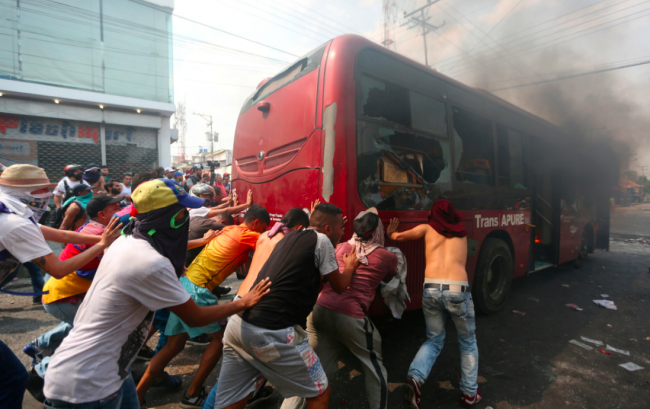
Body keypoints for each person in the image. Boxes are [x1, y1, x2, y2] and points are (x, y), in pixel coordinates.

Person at [42, 178, 272, 409]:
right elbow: (196, 317)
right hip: (87, 385)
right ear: (167, 218)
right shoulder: (150, 262)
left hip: (111, 371)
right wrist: (244, 302)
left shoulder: (127, 239)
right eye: (182, 212)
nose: (186, 218)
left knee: (173, 344)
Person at [213, 203, 358, 409]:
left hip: (238, 325)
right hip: (271, 332)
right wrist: (350, 266)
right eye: (341, 229)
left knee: (232, 401)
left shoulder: (290, 235)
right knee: (320, 394)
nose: (343, 233)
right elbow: (340, 285)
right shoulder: (322, 240)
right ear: (327, 229)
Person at [0, 164, 122, 407]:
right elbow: (57, 270)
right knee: (13, 378)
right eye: (42, 190)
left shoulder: (14, 212)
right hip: (60, 294)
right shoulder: (15, 223)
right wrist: (102, 244)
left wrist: (104, 238)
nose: (48, 195)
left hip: (65, 295)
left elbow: (62, 235)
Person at [136, 204, 271, 407]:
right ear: (256, 223)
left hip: (185, 284)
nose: (260, 233)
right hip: (199, 291)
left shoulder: (229, 229)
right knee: (220, 340)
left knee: (174, 345)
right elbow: (273, 243)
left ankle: (137, 395)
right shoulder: (247, 234)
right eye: (261, 228)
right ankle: (193, 393)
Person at [282, 207, 397, 409]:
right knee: (374, 366)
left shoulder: (340, 247)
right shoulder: (387, 256)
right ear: (377, 230)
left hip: (319, 310)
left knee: (311, 369)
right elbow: (389, 277)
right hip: (351, 317)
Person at [199, 207, 311, 409]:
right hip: (256, 307)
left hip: (241, 301)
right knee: (249, 373)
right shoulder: (286, 243)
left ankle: (246, 395)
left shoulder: (263, 238)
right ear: (299, 228)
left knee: (233, 379)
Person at [387, 200, 481, 408]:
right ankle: (469, 393)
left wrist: (392, 232)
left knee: (434, 340)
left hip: (430, 290)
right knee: (467, 342)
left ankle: (415, 380)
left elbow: (399, 237)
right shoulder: (462, 234)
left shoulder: (427, 229)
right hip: (458, 291)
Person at [25, 195, 124, 381]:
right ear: (102, 214)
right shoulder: (99, 235)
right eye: (116, 209)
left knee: (81, 327)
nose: (121, 212)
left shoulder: (94, 228)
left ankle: (41, 345)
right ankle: (43, 371)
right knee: (94, 337)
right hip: (64, 296)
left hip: (63, 292)